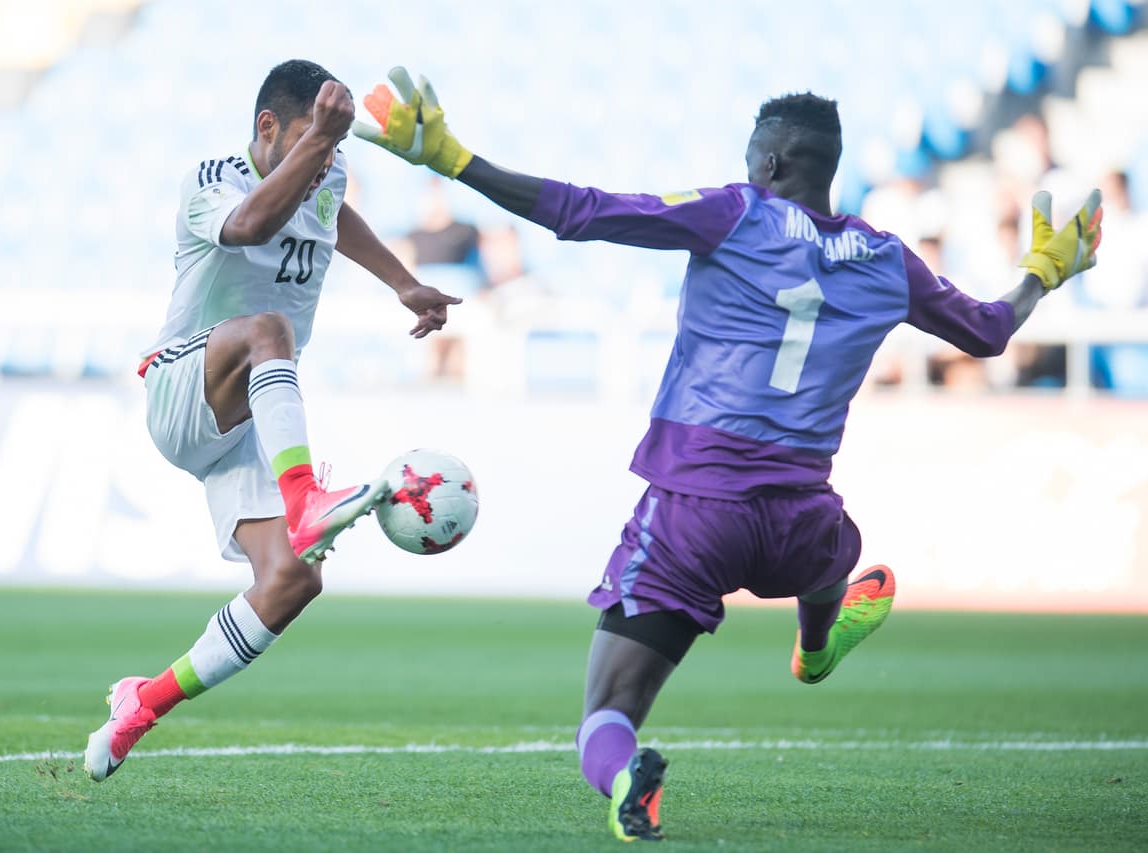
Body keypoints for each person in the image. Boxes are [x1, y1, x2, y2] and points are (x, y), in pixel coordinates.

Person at [353, 67, 1103, 841]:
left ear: (770, 163)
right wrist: (1042, 272)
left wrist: (454, 160)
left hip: (696, 509)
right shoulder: (887, 260)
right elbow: (986, 330)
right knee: (834, 553)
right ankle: (817, 644)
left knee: (606, 712)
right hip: (801, 519)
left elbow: (581, 211)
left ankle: (627, 779)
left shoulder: (736, 213)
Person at [82, 60, 462, 783]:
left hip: (250, 415)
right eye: (312, 142)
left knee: (292, 581)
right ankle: (305, 498)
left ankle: (140, 705)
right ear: (268, 128)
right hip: (182, 384)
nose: (325, 163)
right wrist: (321, 140)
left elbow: (333, 213)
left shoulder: (326, 169)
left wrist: (404, 282)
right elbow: (251, 224)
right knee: (268, 328)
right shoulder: (212, 180)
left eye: (331, 150)